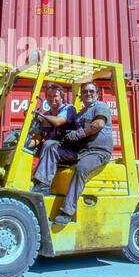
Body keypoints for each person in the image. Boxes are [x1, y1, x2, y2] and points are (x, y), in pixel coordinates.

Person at [33, 81, 113, 225]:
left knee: (81, 168)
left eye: (91, 91)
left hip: (97, 152)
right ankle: (43, 185)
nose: (88, 94)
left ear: (97, 94)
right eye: (85, 92)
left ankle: (67, 210)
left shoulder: (101, 107)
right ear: (80, 95)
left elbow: (98, 125)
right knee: (51, 145)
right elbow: (65, 128)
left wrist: (78, 134)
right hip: (80, 151)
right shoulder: (80, 113)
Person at [31, 83, 77, 192]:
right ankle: (30, 179)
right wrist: (24, 145)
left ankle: (44, 185)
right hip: (56, 149)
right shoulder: (46, 114)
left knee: (49, 144)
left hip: (69, 150)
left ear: (62, 97)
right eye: (49, 96)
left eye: (55, 96)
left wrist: (38, 116)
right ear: (46, 98)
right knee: (29, 150)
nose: (53, 99)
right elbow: (38, 137)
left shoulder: (69, 109)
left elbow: (58, 121)